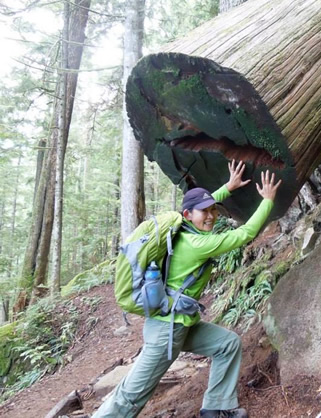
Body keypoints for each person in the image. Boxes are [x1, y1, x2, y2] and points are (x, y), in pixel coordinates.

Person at [93, 160, 282, 418]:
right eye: (204, 212)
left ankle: (217, 409)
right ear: (188, 215)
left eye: (213, 210)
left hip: (181, 324)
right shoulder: (195, 244)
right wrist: (268, 201)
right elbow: (244, 234)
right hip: (166, 331)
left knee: (227, 344)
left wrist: (228, 187)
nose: (211, 215)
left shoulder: (183, 228)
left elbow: (201, 207)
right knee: (132, 395)